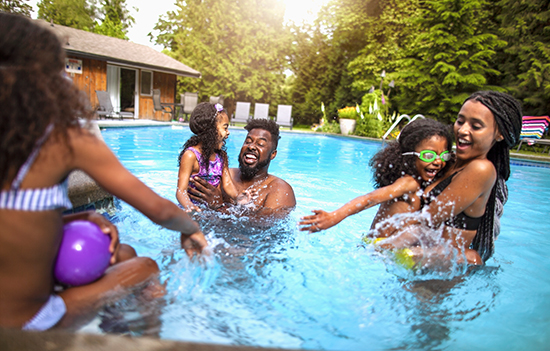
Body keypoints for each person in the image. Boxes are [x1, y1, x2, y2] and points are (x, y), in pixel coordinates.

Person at [0, 13, 207, 331]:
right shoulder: (64, 140)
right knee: (148, 268)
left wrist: (72, 217)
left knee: (123, 253)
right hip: (30, 323)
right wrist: (190, 228)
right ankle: (140, 341)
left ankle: (116, 328)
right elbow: (158, 209)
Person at [377, 91, 522, 265]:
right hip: (412, 257)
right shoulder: (449, 162)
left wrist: (380, 246)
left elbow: (430, 217)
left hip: (435, 275)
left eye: (476, 126)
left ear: (500, 134)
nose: (462, 130)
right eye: (460, 121)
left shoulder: (481, 169)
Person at [299, 118, 454, 233]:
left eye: (444, 155)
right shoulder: (409, 183)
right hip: (380, 250)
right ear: (408, 156)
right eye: (428, 156)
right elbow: (370, 199)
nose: (438, 162)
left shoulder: (422, 182)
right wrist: (335, 216)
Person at [188, 119, 296, 219]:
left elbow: (264, 227)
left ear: (273, 154)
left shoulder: (280, 190)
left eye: (260, 144)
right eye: (248, 141)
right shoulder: (223, 175)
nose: (251, 146)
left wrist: (219, 207)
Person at [176, 102, 251, 212]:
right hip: (193, 210)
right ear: (211, 130)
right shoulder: (191, 156)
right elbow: (181, 191)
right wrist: (189, 206)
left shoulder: (221, 156)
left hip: (212, 210)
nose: (228, 132)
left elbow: (228, 184)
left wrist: (238, 197)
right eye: (225, 128)